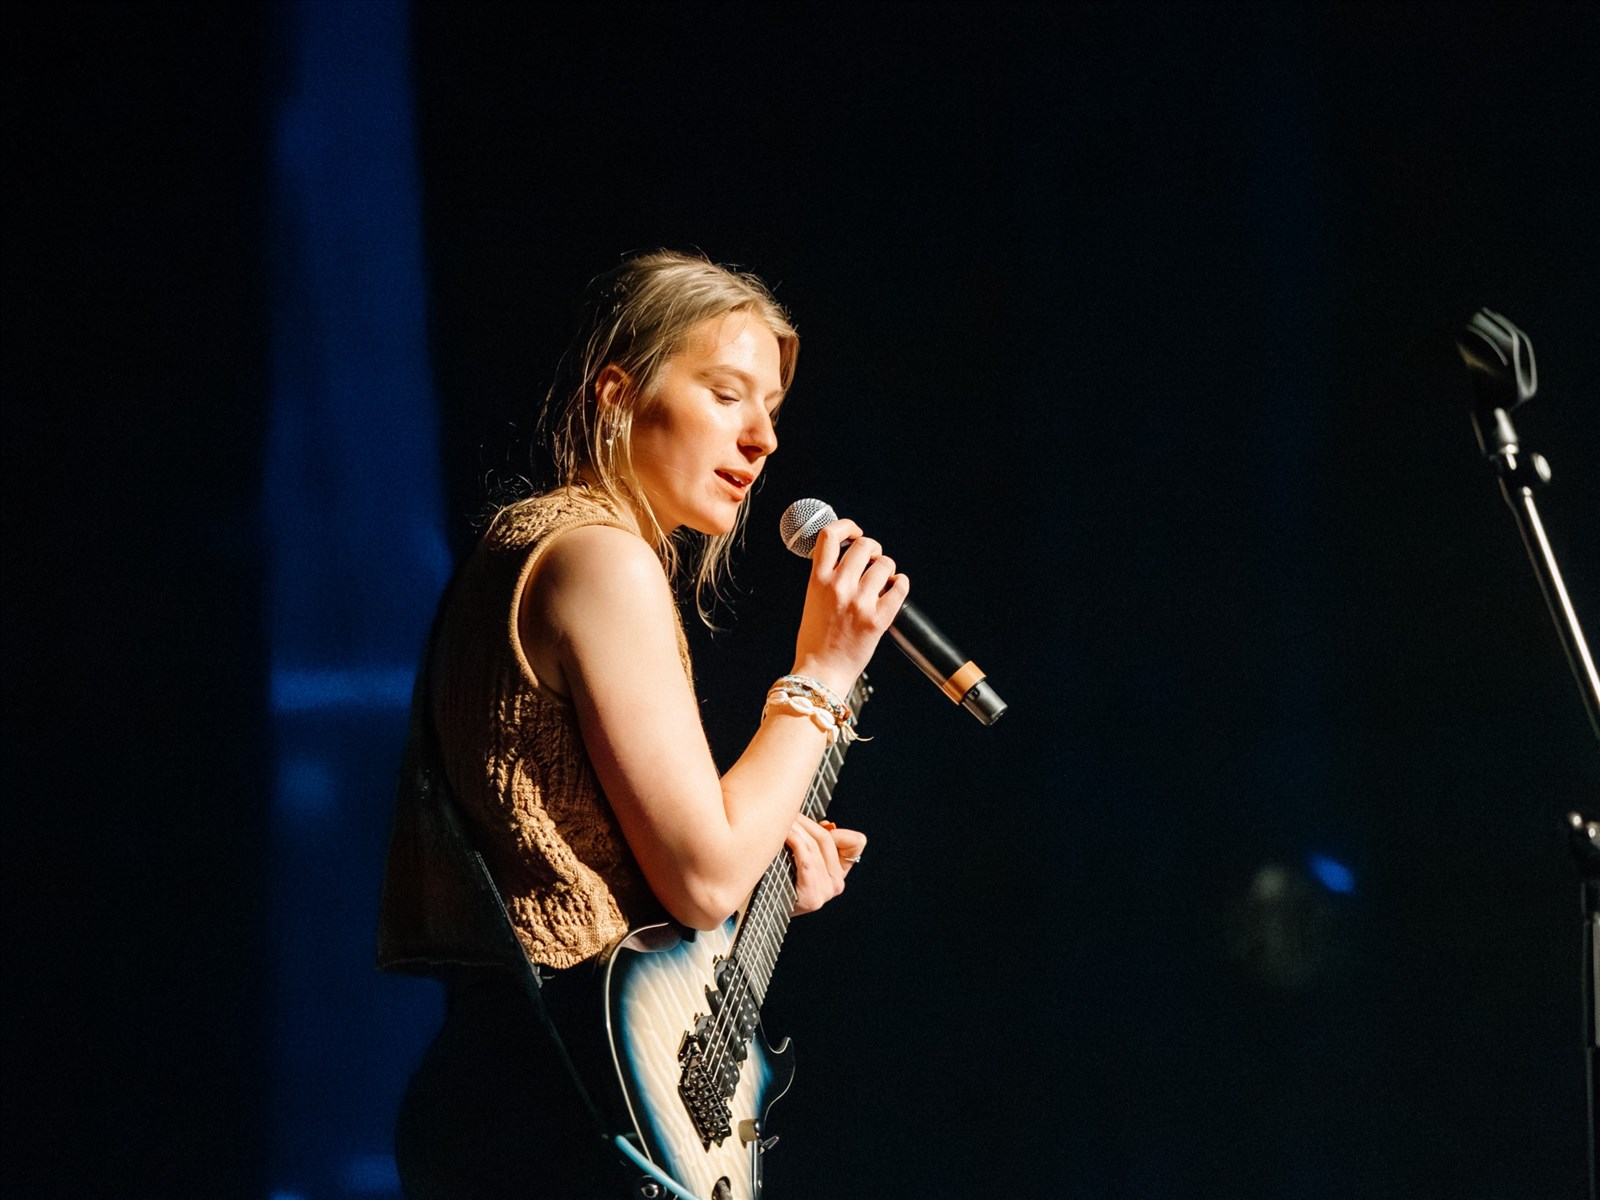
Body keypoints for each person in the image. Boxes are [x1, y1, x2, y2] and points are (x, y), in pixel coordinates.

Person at [379, 250, 908, 1197]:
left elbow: (619, 873)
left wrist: (765, 876)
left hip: (513, 1087)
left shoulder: (540, 543)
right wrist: (823, 671)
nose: (762, 439)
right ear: (618, 394)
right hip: (553, 1112)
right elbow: (701, 879)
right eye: (726, 395)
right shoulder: (598, 558)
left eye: (772, 409)